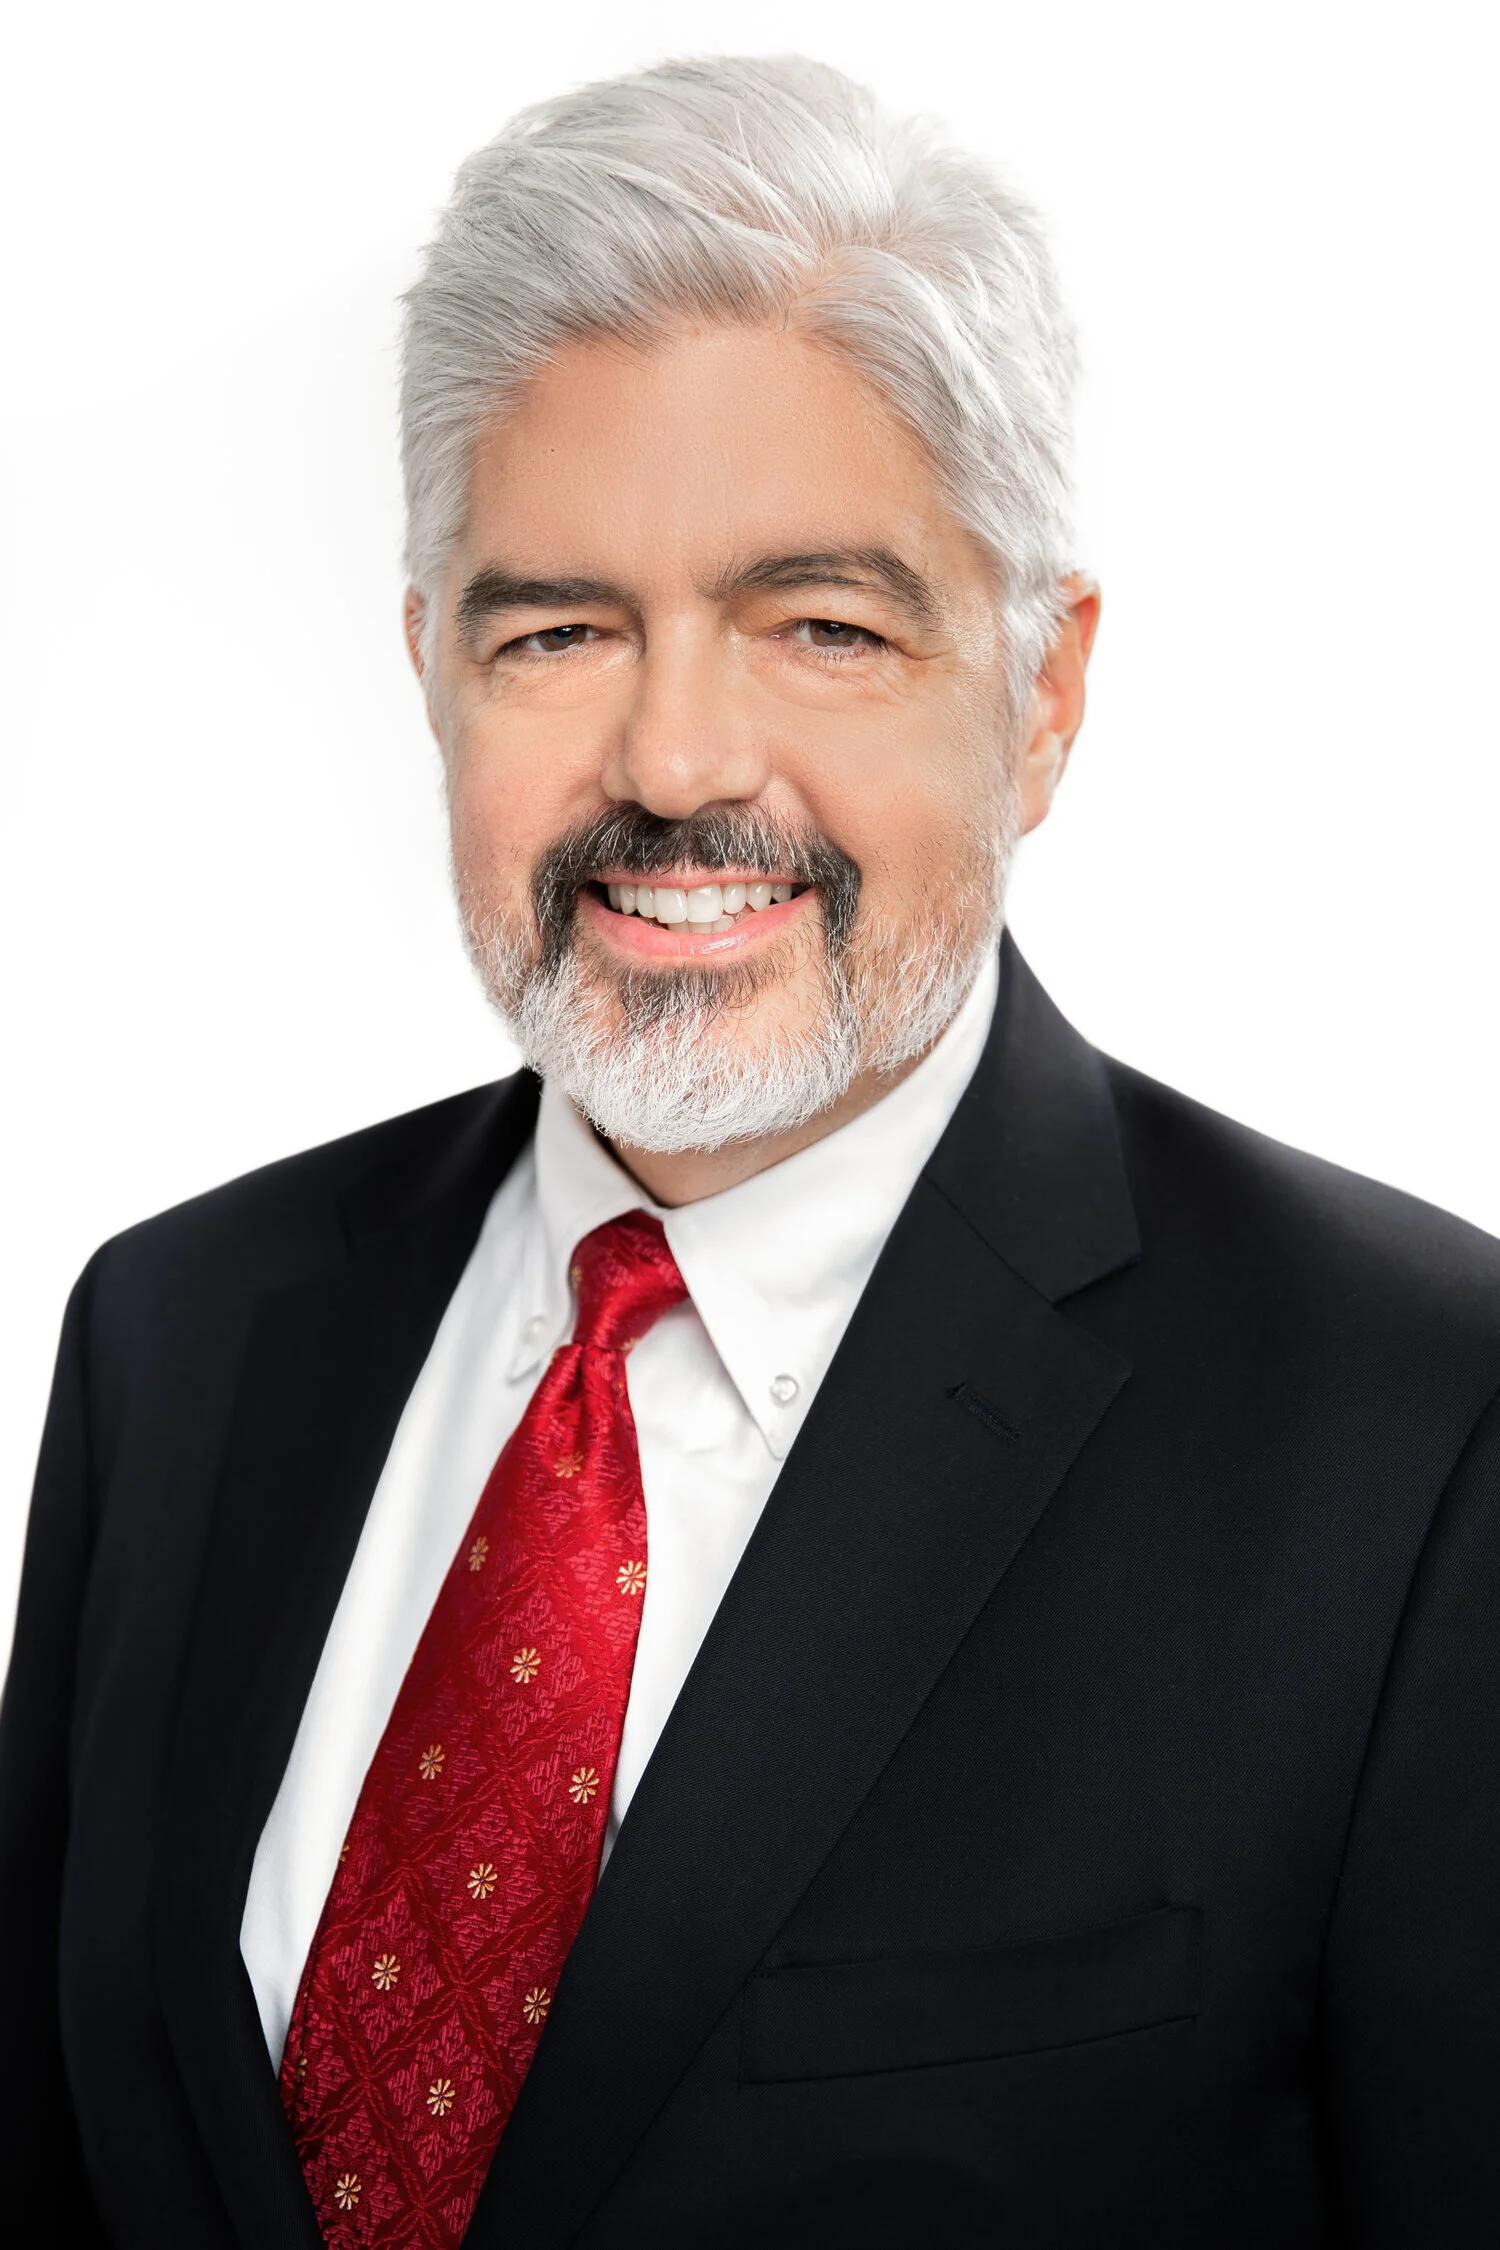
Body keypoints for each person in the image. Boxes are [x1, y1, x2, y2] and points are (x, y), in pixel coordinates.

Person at [3, 51, 1498, 2250]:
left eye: (820, 624)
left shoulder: (1418, 1430)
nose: (677, 754)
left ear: (1041, 690)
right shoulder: (183, 1334)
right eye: (558, 630)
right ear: (433, 670)